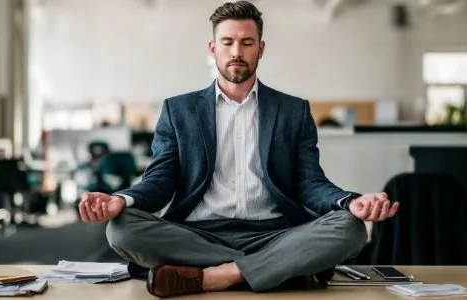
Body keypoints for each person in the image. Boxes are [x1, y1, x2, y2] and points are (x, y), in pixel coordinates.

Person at [79, 1, 399, 297]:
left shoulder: (293, 111)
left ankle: (214, 276)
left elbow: (310, 183)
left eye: (247, 43)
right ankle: (281, 270)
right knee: (121, 229)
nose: (236, 51)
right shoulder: (179, 111)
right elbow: (160, 180)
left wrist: (351, 202)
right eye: (228, 42)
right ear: (213, 48)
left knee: (350, 228)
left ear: (260, 49)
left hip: (275, 233)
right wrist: (119, 200)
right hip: (197, 235)